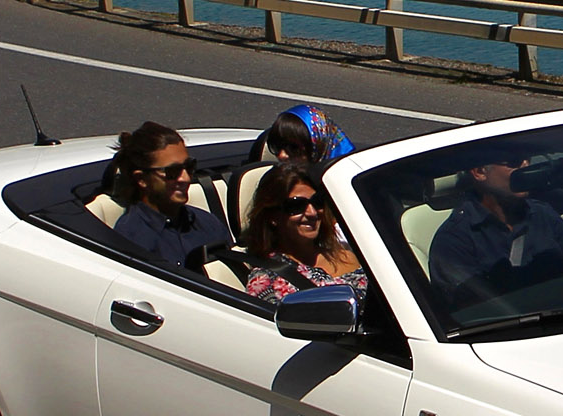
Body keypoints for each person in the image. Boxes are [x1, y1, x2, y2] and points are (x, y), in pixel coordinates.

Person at [426, 146, 563, 299]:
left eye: (528, 159)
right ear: (480, 172)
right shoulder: (455, 239)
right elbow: (470, 310)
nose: (526, 166)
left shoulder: (542, 214)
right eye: (514, 162)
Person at [104, 121, 231, 273]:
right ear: (142, 180)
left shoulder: (208, 223)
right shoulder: (131, 240)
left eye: (189, 167)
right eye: (172, 172)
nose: (185, 178)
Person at [241, 159, 374, 305]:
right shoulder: (267, 281)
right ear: (272, 216)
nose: (312, 212)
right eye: (296, 205)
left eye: (317, 201)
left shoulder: (345, 251)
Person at [257, 103, 354, 172]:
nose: (282, 155)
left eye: (293, 148)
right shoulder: (273, 183)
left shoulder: (342, 187)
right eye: (276, 146)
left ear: (316, 148)